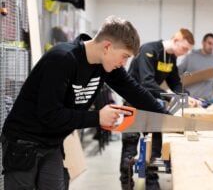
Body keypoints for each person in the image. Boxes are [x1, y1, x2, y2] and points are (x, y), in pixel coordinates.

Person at [1, 16, 167, 190]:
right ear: (107, 47)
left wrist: (170, 119)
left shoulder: (105, 65)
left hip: (52, 143)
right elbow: (49, 115)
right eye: (124, 56)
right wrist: (97, 118)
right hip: (23, 142)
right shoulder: (62, 59)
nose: (123, 64)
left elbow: (134, 91)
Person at [120, 28, 200, 190]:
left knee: (155, 145)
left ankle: (152, 183)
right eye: (184, 48)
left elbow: (175, 82)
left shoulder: (170, 58)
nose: (184, 53)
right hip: (133, 104)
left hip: (151, 104)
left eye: (188, 51)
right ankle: (127, 183)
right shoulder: (149, 50)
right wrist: (171, 96)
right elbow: (147, 82)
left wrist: (186, 96)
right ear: (175, 40)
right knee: (130, 146)